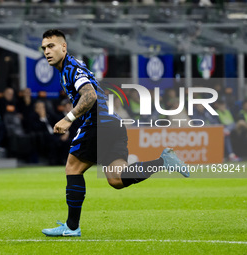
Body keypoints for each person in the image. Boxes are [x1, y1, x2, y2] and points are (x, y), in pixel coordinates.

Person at [40, 29, 189, 237]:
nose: (47, 51)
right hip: (114, 125)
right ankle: (163, 161)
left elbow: (89, 96)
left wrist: (68, 119)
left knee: (73, 168)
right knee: (116, 179)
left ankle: (72, 227)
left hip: (98, 124)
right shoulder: (69, 68)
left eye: (51, 46)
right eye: (44, 48)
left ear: (63, 47)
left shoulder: (72, 68)